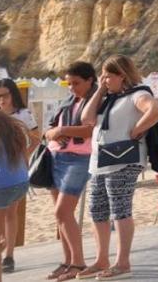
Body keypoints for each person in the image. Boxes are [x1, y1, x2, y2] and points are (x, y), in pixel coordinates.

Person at [79, 55, 158, 280]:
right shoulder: (109, 99)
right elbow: (86, 119)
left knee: (120, 208)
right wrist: (99, 90)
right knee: (97, 210)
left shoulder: (138, 94)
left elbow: (155, 110)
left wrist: (137, 129)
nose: (105, 80)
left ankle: (122, 261)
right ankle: (101, 259)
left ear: (122, 76)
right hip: (100, 161)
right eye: (103, 76)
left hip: (125, 159)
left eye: (108, 76)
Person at [43, 61, 97, 282]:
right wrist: (52, 133)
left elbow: (89, 129)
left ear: (89, 81)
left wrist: (61, 130)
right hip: (56, 156)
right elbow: (47, 129)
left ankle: (78, 262)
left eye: (76, 83)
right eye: (69, 83)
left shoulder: (95, 102)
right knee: (62, 216)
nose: (72, 87)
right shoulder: (68, 100)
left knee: (62, 213)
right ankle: (67, 262)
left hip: (79, 159)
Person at [0, 80, 37, 274]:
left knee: (10, 215)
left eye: (5, 95)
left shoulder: (21, 115)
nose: (2, 100)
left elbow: (35, 137)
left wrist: (24, 155)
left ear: (13, 95)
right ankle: (2, 248)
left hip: (10, 176)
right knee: (0, 219)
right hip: (15, 177)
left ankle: (8, 254)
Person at [0, 98, 28, 282]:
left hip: (1, 186)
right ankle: (5, 247)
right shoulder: (11, 128)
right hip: (20, 183)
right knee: (7, 221)